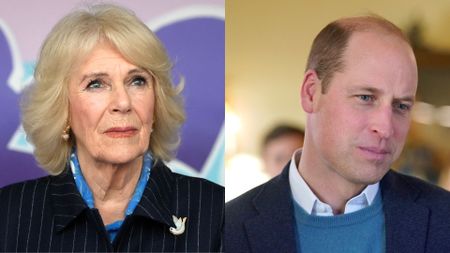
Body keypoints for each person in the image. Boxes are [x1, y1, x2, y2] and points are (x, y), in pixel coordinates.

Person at [0, 4, 223, 252]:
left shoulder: (216, 213)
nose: (123, 103)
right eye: (96, 84)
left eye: (137, 81)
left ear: (156, 104)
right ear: (62, 110)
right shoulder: (10, 215)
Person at [226, 15, 450, 253]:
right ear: (311, 93)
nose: (385, 128)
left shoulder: (444, 219)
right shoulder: (224, 231)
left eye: (401, 106)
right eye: (365, 98)